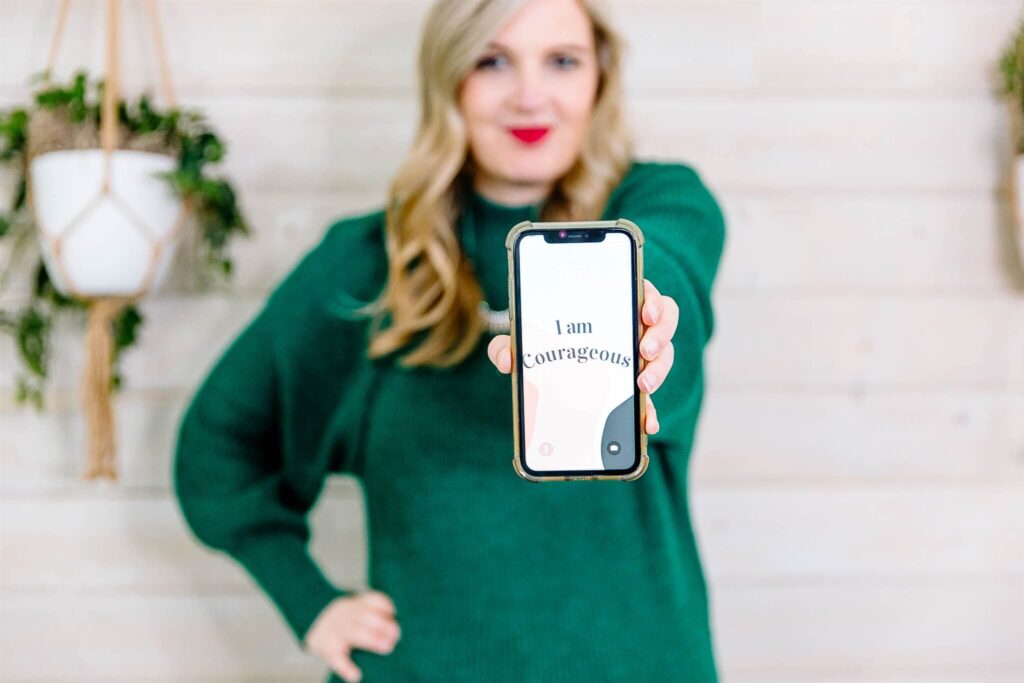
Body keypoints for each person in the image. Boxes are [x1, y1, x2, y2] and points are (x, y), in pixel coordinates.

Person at [173, 0, 726, 681]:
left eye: (562, 61)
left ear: (598, 80)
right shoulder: (364, 268)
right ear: (449, 81)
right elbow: (216, 448)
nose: (530, 95)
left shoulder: (663, 206)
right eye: (493, 61)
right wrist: (309, 601)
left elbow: (670, 267)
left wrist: (642, 315)